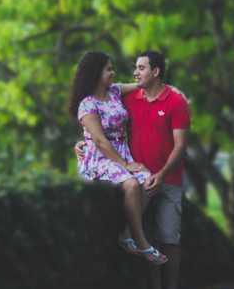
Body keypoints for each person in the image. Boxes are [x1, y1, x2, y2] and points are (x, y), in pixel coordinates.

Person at [67, 51, 167, 267]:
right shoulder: (87, 104)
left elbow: (141, 85)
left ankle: (127, 233)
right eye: (108, 69)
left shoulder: (113, 91)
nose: (113, 73)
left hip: (121, 151)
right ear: (95, 73)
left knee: (148, 181)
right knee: (131, 184)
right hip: (99, 156)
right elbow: (101, 141)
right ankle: (142, 243)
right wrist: (125, 164)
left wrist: (172, 90)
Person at [123, 51, 191, 289]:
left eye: (141, 68)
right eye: (135, 68)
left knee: (170, 238)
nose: (135, 73)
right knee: (147, 239)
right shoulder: (130, 99)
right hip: (138, 182)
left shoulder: (176, 101)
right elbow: (105, 125)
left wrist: (161, 175)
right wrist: (82, 142)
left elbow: (181, 146)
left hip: (168, 181)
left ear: (156, 71)